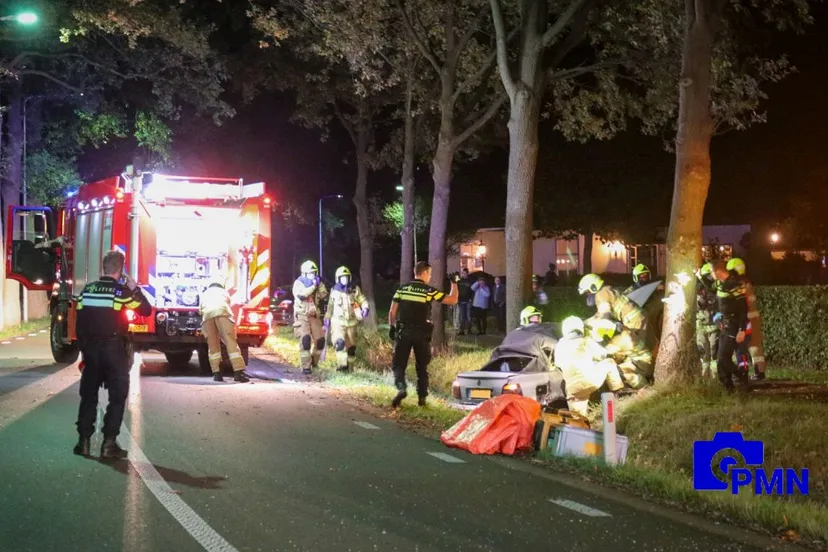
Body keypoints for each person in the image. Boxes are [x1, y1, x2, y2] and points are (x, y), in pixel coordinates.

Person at [73, 250, 152, 459]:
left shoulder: (87, 291)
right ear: (121, 269)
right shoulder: (121, 293)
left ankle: (83, 443)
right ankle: (109, 445)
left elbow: (79, 323)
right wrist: (136, 289)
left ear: (103, 267)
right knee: (117, 397)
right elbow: (145, 310)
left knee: (88, 396)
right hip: (114, 350)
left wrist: (84, 350)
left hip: (90, 351)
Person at [388, 261, 459, 408]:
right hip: (421, 334)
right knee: (422, 368)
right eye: (430, 274)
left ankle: (401, 387)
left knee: (398, 365)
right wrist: (454, 283)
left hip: (404, 332)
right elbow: (452, 300)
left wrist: (392, 327)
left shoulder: (402, 289)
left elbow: (392, 312)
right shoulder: (428, 291)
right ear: (425, 273)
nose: (430, 277)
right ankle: (422, 399)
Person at [554, 316, 624, 418]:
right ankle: (619, 393)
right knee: (610, 363)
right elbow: (603, 355)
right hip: (591, 379)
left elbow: (558, 364)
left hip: (573, 390)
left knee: (579, 421)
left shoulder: (559, 346)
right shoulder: (586, 340)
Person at [199, 276, 251, 383]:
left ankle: (217, 374)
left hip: (207, 318)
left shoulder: (204, 293)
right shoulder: (223, 292)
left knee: (213, 345)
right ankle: (238, 372)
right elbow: (228, 304)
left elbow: (200, 310)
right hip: (223, 315)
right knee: (230, 342)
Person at [711, 259, 749, 391]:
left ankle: (741, 377)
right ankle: (728, 387)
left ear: (718, 272)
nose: (711, 275)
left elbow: (744, 309)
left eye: (712, 272)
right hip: (725, 325)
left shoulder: (733, 285)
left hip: (733, 326)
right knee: (721, 358)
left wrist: (741, 330)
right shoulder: (721, 284)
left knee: (723, 358)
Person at [727, 257, 766, 380]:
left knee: (740, 346)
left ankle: (742, 372)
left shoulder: (738, 286)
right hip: (754, 318)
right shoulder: (747, 283)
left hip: (744, 319)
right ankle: (760, 372)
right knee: (755, 346)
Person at [324, 266, 369, 373]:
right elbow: (330, 306)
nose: (345, 280)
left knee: (351, 348)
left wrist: (365, 307)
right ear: (338, 279)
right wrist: (327, 317)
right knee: (340, 343)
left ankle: (350, 369)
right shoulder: (334, 290)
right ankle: (342, 366)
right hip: (337, 323)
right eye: (342, 278)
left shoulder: (354, 289)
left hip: (352, 323)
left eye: (346, 277)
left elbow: (362, 300)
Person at [292, 260, 329, 375]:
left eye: (314, 273)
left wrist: (320, 284)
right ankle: (306, 367)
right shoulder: (298, 283)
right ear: (304, 274)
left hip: (314, 315)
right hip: (302, 315)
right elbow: (302, 295)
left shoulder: (317, 283)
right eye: (310, 273)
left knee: (320, 340)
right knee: (305, 340)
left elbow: (323, 295)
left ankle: (314, 362)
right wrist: (313, 286)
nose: (313, 275)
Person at [695, 262, 720, 378]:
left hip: (713, 326)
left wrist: (698, 276)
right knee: (704, 355)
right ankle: (704, 379)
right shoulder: (697, 290)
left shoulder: (715, 290)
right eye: (709, 276)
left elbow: (710, 291)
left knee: (714, 355)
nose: (711, 278)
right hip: (701, 327)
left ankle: (715, 379)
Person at [456, 269, 473, 335]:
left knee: (469, 316)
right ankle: (461, 330)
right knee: (462, 316)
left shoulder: (470, 281)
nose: (463, 274)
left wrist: (471, 298)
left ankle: (469, 330)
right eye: (462, 273)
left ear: (467, 274)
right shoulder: (459, 281)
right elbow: (457, 290)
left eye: (465, 273)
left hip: (468, 301)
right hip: (461, 301)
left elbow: (472, 290)